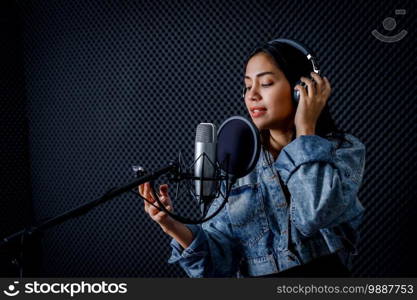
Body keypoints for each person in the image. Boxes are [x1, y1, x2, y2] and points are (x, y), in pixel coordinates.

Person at [138, 39, 366, 278]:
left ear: (301, 89)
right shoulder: (237, 162)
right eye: (247, 87)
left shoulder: (343, 150)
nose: (252, 95)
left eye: (266, 83)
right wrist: (169, 223)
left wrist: (305, 129)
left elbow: (316, 215)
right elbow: (217, 264)